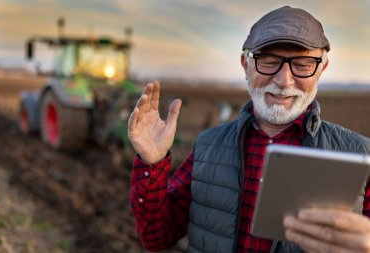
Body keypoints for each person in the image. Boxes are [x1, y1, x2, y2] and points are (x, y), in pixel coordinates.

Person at [128, 6, 370, 253]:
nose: (284, 80)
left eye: (303, 63)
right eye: (268, 61)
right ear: (246, 65)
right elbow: (156, 238)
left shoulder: (361, 156)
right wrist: (152, 161)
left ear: (321, 69)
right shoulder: (207, 145)